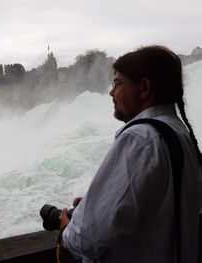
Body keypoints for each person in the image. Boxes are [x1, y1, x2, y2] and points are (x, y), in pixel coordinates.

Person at [59, 45, 202, 262]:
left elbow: (86, 240)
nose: (111, 92)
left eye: (117, 83)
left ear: (144, 87)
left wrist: (67, 228)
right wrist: (97, 206)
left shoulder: (139, 138)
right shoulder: (180, 133)